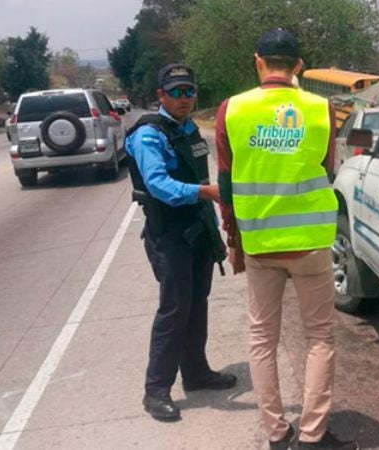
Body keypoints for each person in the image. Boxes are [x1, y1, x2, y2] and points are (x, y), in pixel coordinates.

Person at [215, 29, 357, 450]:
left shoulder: (231, 110)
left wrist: (234, 239)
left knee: (262, 338)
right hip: (311, 242)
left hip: (260, 245)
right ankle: (312, 436)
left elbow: (226, 183)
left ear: (258, 61)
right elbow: (328, 170)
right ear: (298, 66)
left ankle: (277, 434)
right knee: (319, 339)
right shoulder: (320, 109)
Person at [125, 63, 236, 422]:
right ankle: (155, 390)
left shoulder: (188, 129)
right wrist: (207, 193)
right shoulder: (149, 135)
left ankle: (197, 372)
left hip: (198, 230)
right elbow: (158, 183)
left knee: (197, 304)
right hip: (169, 235)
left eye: (189, 91)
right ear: (160, 95)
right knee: (173, 311)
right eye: (175, 92)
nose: (184, 98)